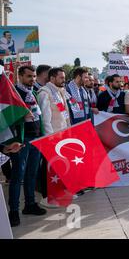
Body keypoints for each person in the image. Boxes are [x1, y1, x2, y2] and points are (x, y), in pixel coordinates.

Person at [8, 66, 47, 227]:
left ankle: (30, 205)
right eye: (29, 76)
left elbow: (39, 115)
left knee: (32, 174)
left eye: (33, 76)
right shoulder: (13, 94)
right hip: (22, 141)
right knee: (18, 176)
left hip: (37, 138)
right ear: (20, 76)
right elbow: (6, 116)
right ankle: (14, 211)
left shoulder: (34, 93)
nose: (32, 79)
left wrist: (43, 135)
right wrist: (20, 115)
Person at [37, 67, 72, 208]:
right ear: (52, 78)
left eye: (64, 77)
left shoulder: (60, 92)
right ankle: (48, 197)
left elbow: (65, 114)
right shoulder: (45, 93)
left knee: (62, 166)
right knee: (50, 168)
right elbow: (46, 118)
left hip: (63, 135)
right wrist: (49, 138)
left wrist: (69, 132)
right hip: (53, 137)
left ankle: (62, 191)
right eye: (61, 78)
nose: (64, 80)